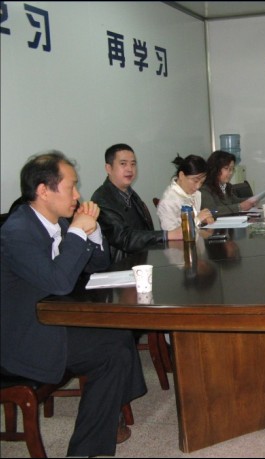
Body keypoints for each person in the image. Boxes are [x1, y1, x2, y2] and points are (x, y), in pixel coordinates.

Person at [1, 151, 147, 457]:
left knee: (118, 333)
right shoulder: (18, 231)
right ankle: (89, 445)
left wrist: (92, 233)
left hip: (52, 318)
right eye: (71, 187)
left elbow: (98, 264)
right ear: (44, 190)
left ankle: (108, 415)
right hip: (24, 338)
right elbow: (59, 282)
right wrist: (79, 230)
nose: (78, 195)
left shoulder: (57, 223)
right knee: (112, 350)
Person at [91, 143, 183, 262]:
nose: (130, 169)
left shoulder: (130, 194)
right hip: (119, 266)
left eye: (133, 164)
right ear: (108, 168)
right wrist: (167, 235)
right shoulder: (102, 199)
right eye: (123, 164)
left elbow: (145, 231)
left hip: (141, 260)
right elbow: (124, 238)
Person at [156, 154, 215, 231]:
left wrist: (204, 219)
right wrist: (197, 219)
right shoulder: (168, 201)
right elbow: (171, 234)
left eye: (201, 182)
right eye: (195, 181)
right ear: (181, 175)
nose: (198, 186)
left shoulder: (195, 194)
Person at [200, 150, 258, 216]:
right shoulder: (204, 189)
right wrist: (239, 207)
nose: (231, 173)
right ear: (215, 169)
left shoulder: (225, 186)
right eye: (227, 168)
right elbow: (212, 211)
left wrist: (251, 200)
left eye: (232, 169)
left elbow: (234, 201)